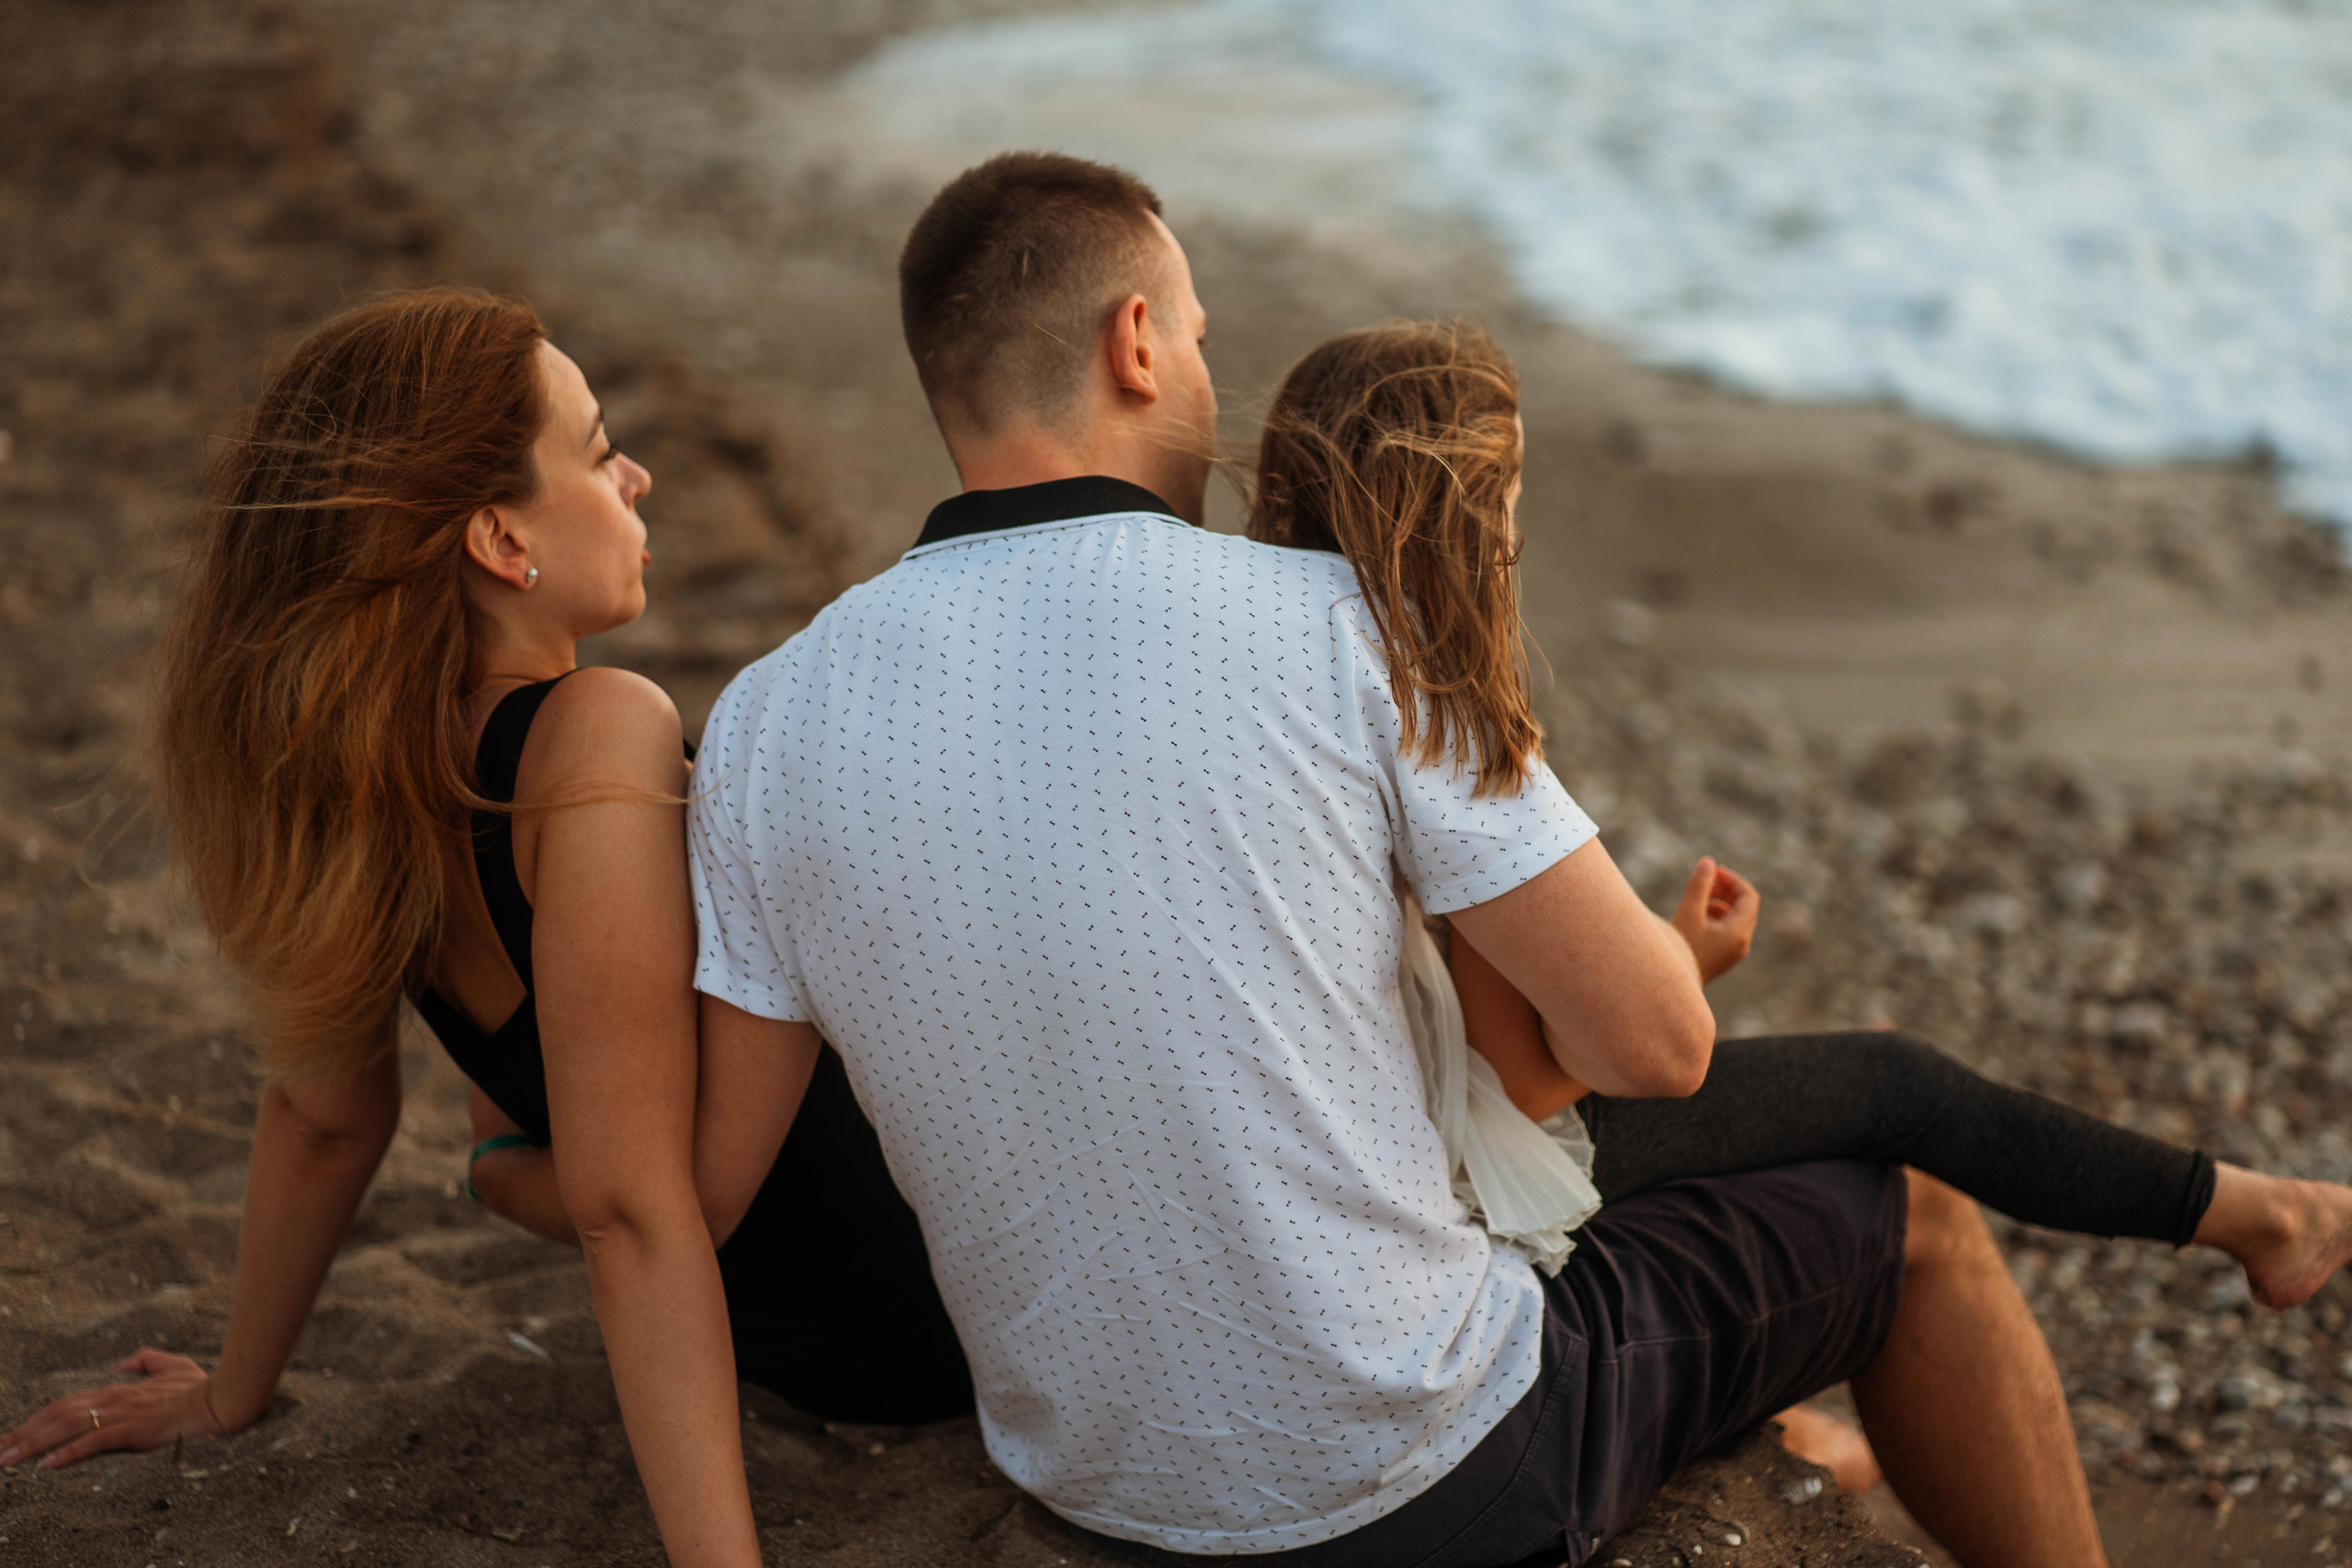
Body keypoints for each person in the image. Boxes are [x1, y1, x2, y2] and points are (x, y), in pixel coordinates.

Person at [682, 148, 2098, 1567]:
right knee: (1908, 1219)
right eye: (1197, 341)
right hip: (1429, 1473)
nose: (1205, 385)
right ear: (1134, 341)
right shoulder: (1337, 621)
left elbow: (712, 1185)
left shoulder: (760, 723)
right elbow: (1657, 1041)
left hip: (1097, 1485)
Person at [1244, 317, 2352, 1494]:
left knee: (1835, 1116)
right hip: (1447, 1184)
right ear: (1464, 518)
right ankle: (2259, 1219)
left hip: (1344, 1150)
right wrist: (1680, 961)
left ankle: (1799, 1421)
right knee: (1891, 1087)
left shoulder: (1268, 689)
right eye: (1510, 494)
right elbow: (1516, 1089)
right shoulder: (1431, 719)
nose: (1519, 528)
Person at [0, 288, 965, 1568]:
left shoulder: (348, 804)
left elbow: (325, 1117)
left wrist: (235, 1385)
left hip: (784, 1336)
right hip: (936, 1315)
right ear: (503, 540)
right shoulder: (598, 733)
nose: (639, 474)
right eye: (596, 447)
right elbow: (636, 1210)